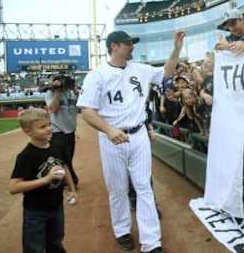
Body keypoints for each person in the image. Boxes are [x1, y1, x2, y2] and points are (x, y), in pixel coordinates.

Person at [77, 30, 184, 253]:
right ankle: (122, 230)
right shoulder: (97, 75)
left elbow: (167, 71)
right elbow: (87, 111)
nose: (132, 46)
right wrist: (108, 129)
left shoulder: (141, 69)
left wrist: (177, 48)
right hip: (111, 139)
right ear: (114, 46)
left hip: (139, 135)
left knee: (144, 187)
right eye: (128, 43)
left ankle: (151, 242)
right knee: (118, 189)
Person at [9, 108, 78, 253]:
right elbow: (14, 187)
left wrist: (72, 190)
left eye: (49, 124)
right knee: (35, 248)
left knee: (56, 242)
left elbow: (64, 167)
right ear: (28, 132)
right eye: (42, 127)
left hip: (56, 206)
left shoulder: (56, 146)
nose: (48, 129)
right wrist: (46, 179)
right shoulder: (26, 156)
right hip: (35, 212)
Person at [44, 75, 79, 186]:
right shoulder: (50, 93)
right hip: (58, 131)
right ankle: (71, 181)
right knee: (63, 160)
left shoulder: (72, 93)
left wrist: (74, 88)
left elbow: (83, 104)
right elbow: (53, 109)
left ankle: (64, 180)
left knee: (68, 158)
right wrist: (57, 91)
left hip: (70, 131)